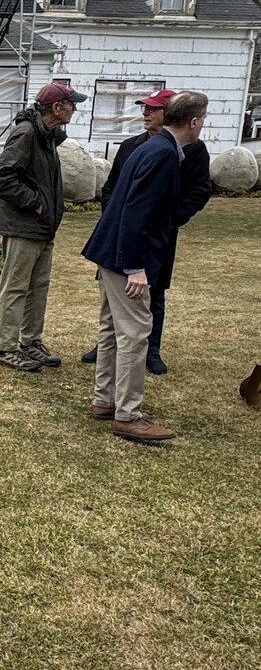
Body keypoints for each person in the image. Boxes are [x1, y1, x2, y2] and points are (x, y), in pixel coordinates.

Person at [82, 90, 209, 444]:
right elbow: (138, 211)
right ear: (194, 121)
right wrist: (136, 266)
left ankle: (105, 401)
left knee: (111, 331)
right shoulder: (164, 154)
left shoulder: (151, 149)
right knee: (136, 333)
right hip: (126, 258)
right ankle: (128, 415)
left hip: (110, 253)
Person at [0, 81, 88, 372]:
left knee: (38, 286)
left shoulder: (46, 135)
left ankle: (30, 341)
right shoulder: (27, 133)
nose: (75, 109)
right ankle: (7, 347)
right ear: (57, 108)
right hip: (24, 226)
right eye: (72, 104)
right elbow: (1, 178)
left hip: (42, 227)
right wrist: (35, 203)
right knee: (16, 287)